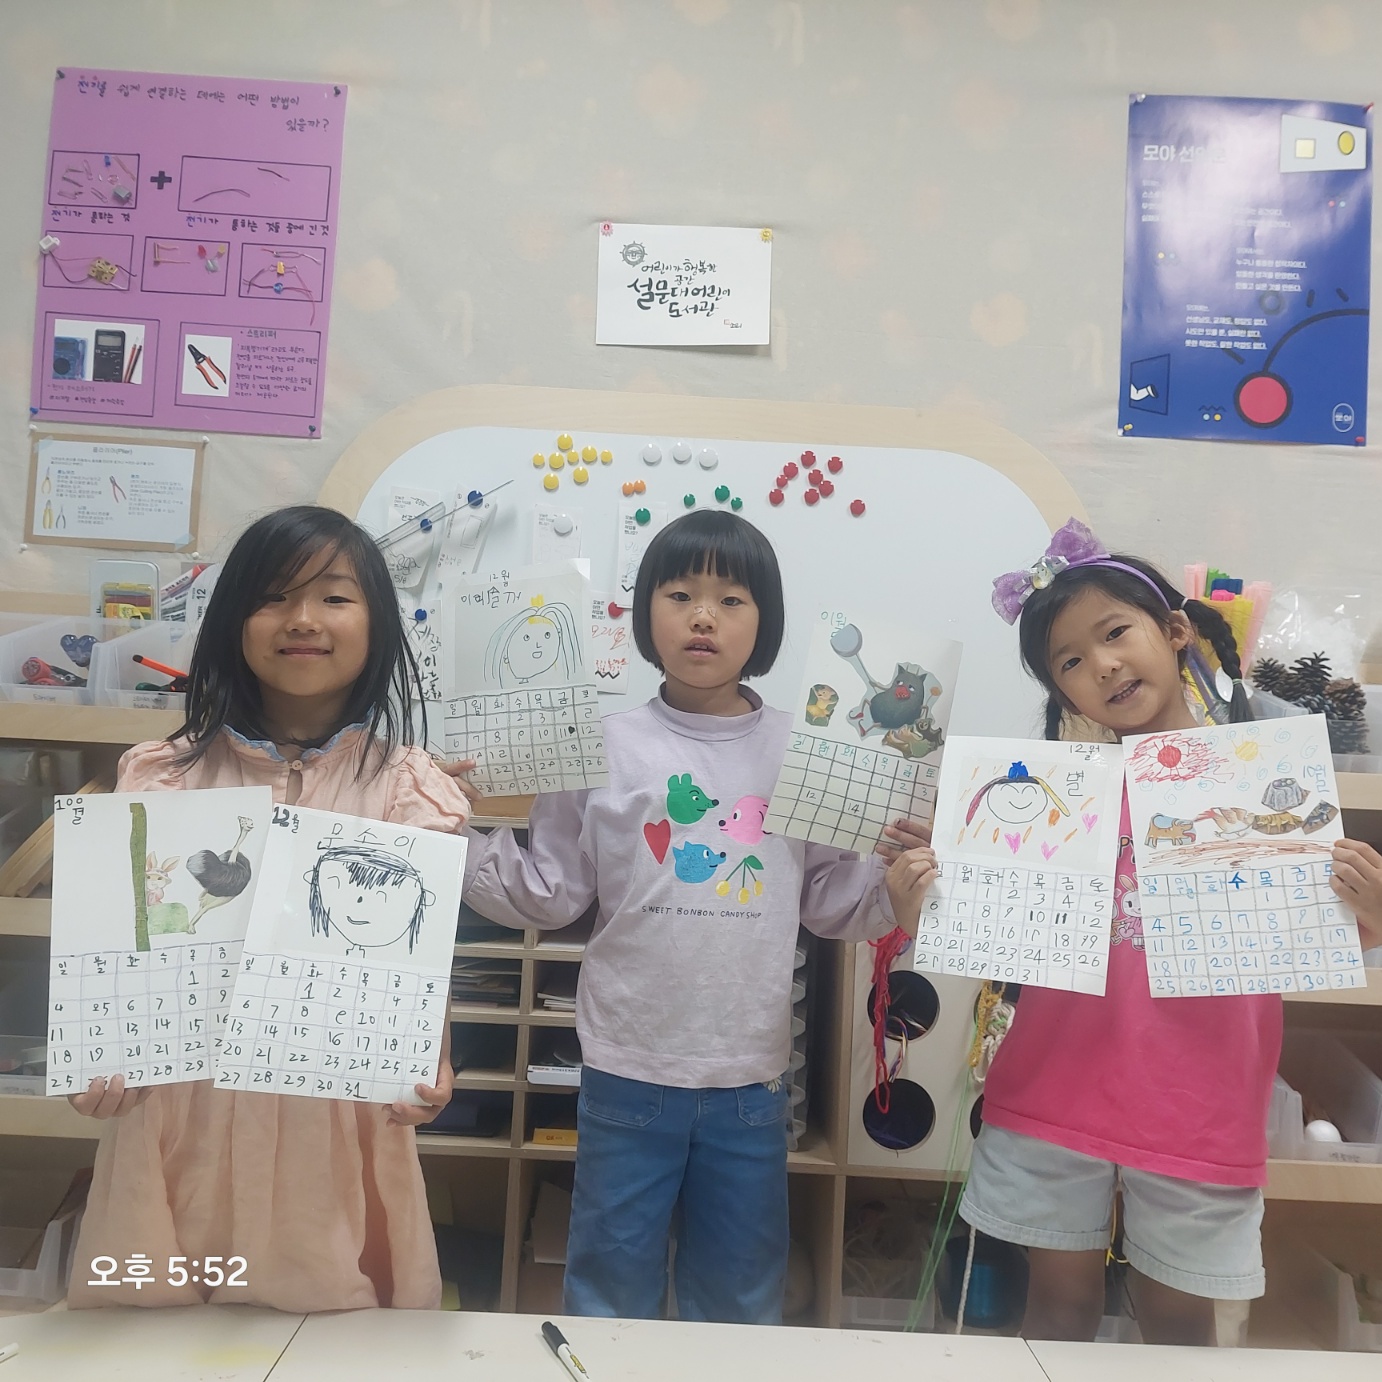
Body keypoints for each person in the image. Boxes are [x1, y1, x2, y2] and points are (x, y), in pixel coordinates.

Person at [461, 510, 937, 1323]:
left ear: (767, 622)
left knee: (740, 1289)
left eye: (732, 599)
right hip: (626, 1062)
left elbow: (829, 898)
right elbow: (551, 890)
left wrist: (896, 891)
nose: (703, 616)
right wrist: (447, 837)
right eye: (680, 594)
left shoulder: (807, 748)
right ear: (646, 610)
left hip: (749, 1074)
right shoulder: (598, 743)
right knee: (610, 1282)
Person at [66, 505, 472, 1311]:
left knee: (334, 1334)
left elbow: (414, 963)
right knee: (152, 1340)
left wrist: (430, 1059)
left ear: (377, 624)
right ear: (231, 621)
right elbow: (116, 956)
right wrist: (97, 1059)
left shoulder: (408, 789)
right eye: (273, 597)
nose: (303, 620)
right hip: (181, 1120)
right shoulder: (160, 778)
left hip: (333, 1129)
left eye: (334, 597)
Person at [961, 517, 1279, 1345]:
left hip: (1195, 1104)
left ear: (1174, 630)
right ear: (1061, 693)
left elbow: (1317, 933)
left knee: (1177, 1323)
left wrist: (1368, 911)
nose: (1100, 665)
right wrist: (934, 887)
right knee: (1056, 1310)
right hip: (1054, 1089)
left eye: (1113, 633)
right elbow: (998, 930)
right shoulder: (1054, 795)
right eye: (1069, 662)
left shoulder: (1261, 785)